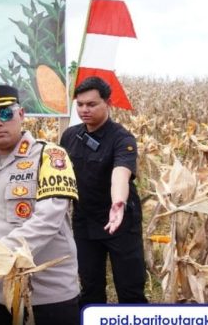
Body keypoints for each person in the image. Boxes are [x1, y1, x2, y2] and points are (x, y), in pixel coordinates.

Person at [0, 85, 80, 324]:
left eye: (5, 114)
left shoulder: (51, 156)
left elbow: (48, 221)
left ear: (21, 114)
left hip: (48, 294)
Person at [60, 76, 147, 307]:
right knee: (90, 288)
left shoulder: (121, 138)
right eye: (80, 105)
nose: (84, 110)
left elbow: (121, 172)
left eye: (91, 104)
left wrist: (118, 202)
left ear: (107, 103)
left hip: (119, 223)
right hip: (84, 222)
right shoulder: (70, 136)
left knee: (130, 290)